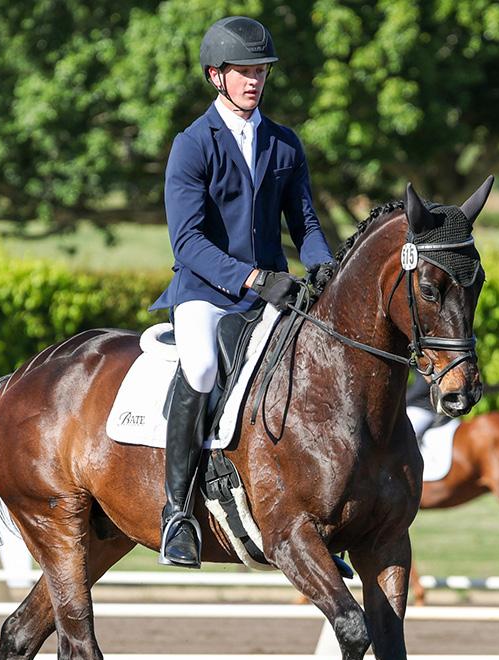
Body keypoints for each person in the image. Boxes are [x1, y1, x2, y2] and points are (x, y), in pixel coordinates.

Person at [151, 15, 336, 567]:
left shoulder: (284, 143)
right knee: (202, 368)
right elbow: (187, 242)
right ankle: (176, 513)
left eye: (260, 71)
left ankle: (319, 519)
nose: (254, 80)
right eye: (243, 71)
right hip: (205, 292)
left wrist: (326, 270)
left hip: (270, 294)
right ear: (216, 75)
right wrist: (252, 278)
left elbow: (305, 225)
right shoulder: (192, 144)